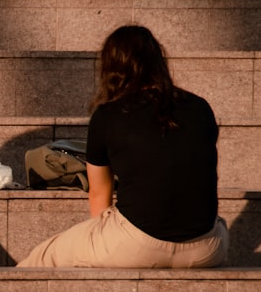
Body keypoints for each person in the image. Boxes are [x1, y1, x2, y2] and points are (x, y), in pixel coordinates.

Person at [17, 25, 228, 268]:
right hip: (207, 249)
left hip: (135, 245)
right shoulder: (201, 108)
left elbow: (99, 196)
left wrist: (103, 243)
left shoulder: (108, 116)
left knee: (43, 257)